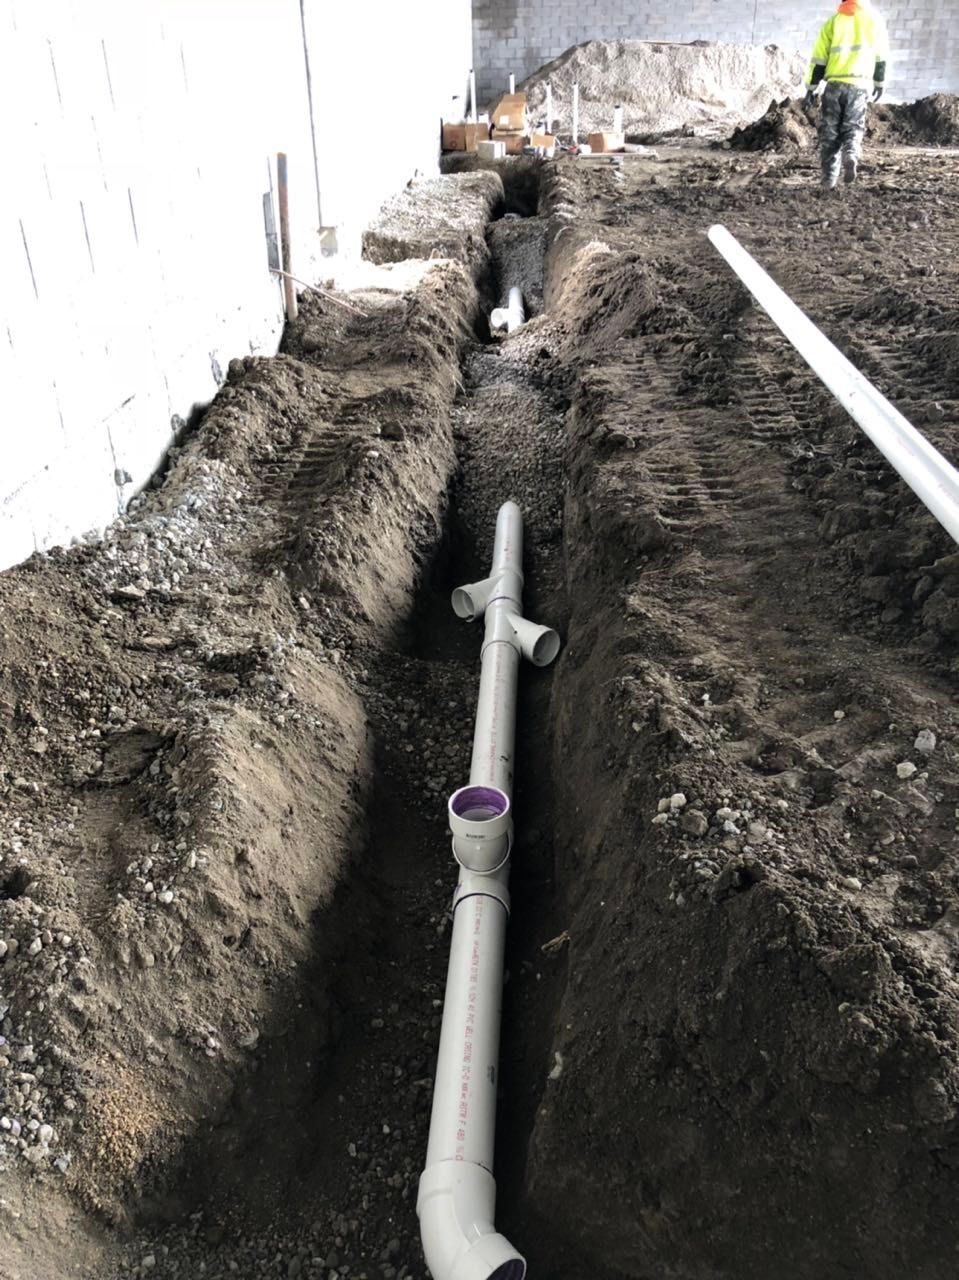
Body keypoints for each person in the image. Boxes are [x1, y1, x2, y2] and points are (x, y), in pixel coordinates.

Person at [803, 0, 889, 189]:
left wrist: (811, 88)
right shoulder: (874, 21)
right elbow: (881, 56)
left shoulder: (833, 22)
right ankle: (850, 155)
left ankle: (829, 180)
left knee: (830, 133)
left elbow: (819, 58)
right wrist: (879, 82)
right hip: (859, 86)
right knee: (853, 128)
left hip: (834, 86)